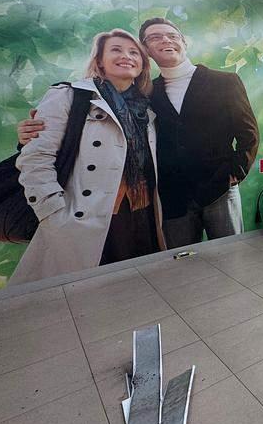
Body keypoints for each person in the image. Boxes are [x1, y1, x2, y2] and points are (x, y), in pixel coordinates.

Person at [19, 18, 259, 248]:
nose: (165, 40)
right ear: (147, 51)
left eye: (172, 35)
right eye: (155, 37)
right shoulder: (147, 95)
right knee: (181, 262)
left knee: (230, 254)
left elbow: (248, 135)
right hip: (171, 195)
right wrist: (31, 133)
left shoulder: (225, 81)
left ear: (183, 42)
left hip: (219, 188)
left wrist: (233, 175)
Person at [11, 29, 165, 285]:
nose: (126, 56)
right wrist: (53, 214)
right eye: (116, 50)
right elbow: (36, 157)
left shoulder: (146, 108)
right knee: (86, 293)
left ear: (142, 65)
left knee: (140, 287)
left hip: (142, 213)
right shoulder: (70, 95)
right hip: (85, 217)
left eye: (134, 52)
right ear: (100, 61)